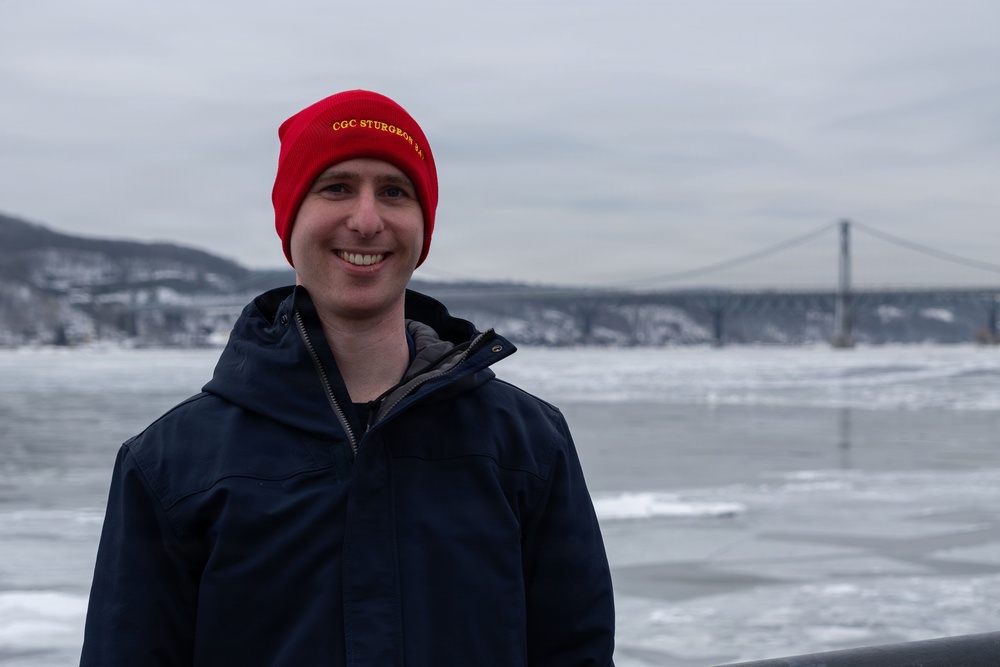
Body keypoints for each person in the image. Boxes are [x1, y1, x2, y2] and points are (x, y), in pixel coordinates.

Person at [80, 89, 615, 666]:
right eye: (336, 187)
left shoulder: (527, 442)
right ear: (291, 221)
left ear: (423, 227)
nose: (366, 219)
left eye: (394, 191)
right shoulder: (170, 463)